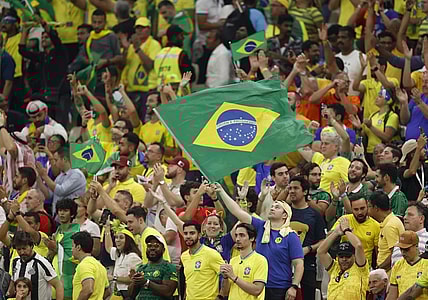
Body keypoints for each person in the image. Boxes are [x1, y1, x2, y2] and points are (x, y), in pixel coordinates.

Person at [216, 184, 304, 300]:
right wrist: (221, 191)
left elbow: (298, 264)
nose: (272, 208)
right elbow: (237, 212)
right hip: (255, 284)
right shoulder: (261, 226)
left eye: (277, 207)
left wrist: (294, 286)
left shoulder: (290, 235)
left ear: (285, 215)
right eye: (272, 206)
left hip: (279, 287)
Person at [18, 19, 70, 126]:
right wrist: (25, 31)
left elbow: (56, 40)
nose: (43, 39)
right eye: (42, 37)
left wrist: (45, 25)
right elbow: (22, 51)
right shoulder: (42, 56)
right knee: (47, 125)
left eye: (46, 37)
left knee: (60, 124)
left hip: (61, 94)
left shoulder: (60, 53)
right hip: (47, 94)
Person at [288, 176, 326, 300]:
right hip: (284, 265)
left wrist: (308, 249)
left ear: (305, 192)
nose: (292, 191)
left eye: (296, 188)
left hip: (308, 265)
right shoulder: (284, 213)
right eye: (290, 188)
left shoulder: (314, 215)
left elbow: (322, 241)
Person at [317, 217, 369, 300]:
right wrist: (336, 233)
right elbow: (320, 251)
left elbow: (358, 246)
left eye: (348, 256)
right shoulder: (334, 268)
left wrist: (346, 231)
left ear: (354, 256)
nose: (344, 259)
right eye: (341, 256)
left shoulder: (360, 268)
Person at [121, 17, 162, 121]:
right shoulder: (131, 46)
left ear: (149, 29)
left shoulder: (154, 45)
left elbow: (150, 65)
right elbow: (123, 64)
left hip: (147, 91)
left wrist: (138, 49)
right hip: (131, 90)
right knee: (131, 120)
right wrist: (125, 48)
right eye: (137, 28)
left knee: (145, 120)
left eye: (142, 28)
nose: (139, 30)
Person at [220, 223, 268, 300]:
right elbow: (225, 293)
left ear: (252, 238)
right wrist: (225, 277)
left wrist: (233, 277)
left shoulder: (260, 260)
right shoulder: (233, 260)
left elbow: (257, 290)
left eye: (242, 235)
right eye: (236, 235)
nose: (238, 239)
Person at [11, 231, 64, 300]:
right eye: (19, 249)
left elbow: (58, 285)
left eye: (24, 248)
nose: (22, 252)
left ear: (31, 246)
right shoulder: (15, 262)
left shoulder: (42, 262)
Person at [299, 127, 350, 195]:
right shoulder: (319, 158)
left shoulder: (343, 162)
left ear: (336, 146)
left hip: (331, 201)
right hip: (314, 197)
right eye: (322, 143)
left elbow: (349, 184)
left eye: (326, 144)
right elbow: (300, 146)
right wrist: (310, 131)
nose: (322, 146)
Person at [35, 146, 86, 215]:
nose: (54, 163)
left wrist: (44, 175)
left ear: (64, 159)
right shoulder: (60, 175)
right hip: (57, 216)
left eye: (56, 160)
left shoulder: (77, 175)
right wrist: (38, 176)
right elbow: (49, 195)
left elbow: (61, 191)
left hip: (72, 217)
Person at [180, 221, 224, 300]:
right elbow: (189, 280)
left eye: (192, 233)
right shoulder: (184, 256)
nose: (188, 236)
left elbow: (227, 276)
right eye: (185, 233)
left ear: (199, 235)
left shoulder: (211, 254)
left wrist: (220, 297)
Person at [331, 197, 380, 267]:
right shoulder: (344, 220)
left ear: (367, 206)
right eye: (356, 209)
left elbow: (378, 253)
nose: (360, 212)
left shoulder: (375, 226)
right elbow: (328, 238)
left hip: (362, 267)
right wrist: (337, 232)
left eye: (362, 208)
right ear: (351, 209)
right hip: (343, 266)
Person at [84, 9, 123, 98]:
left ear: (105, 22)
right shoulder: (89, 37)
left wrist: (106, 61)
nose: (97, 25)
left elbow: (120, 58)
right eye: (94, 22)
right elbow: (83, 56)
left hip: (108, 75)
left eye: (100, 22)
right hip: (93, 75)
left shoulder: (111, 36)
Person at [128, 235, 178, 300]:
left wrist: (147, 282)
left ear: (163, 250)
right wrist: (135, 282)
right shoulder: (141, 268)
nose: (152, 248)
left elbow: (168, 292)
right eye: (149, 246)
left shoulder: (169, 267)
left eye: (156, 246)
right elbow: (131, 295)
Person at [104, 220, 142, 299]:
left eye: (121, 238)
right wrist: (107, 230)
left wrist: (114, 278)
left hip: (128, 294)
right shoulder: (119, 254)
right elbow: (108, 248)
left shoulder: (133, 257)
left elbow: (133, 280)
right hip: (118, 294)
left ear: (128, 240)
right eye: (116, 237)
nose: (117, 240)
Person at [368, 191, 405, 274]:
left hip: (389, 273)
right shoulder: (388, 222)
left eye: (369, 206)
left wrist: (378, 270)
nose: (368, 210)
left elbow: (394, 254)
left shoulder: (390, 226)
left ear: (376, 208)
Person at [388, 231, 428, 299]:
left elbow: (416, 290)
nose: (403, 253)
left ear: (416, 246)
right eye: (401, 249)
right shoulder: (398, 265)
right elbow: (392, 294)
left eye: (406, 249)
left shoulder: (426, 264)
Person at [71, 231, 110, 300]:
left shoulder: (85, 265)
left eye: (72, 246)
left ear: (78, 247)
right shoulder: (100, 265)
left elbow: (88, 289)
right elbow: (107, 291)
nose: (71, 250)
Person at [399, 136, 428, 202]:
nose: (425, 150)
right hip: (412, 209)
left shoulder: (425, 167)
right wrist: (418, 148)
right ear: (412, 155)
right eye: (422, 149)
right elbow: (411, 171)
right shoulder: (401, 171)